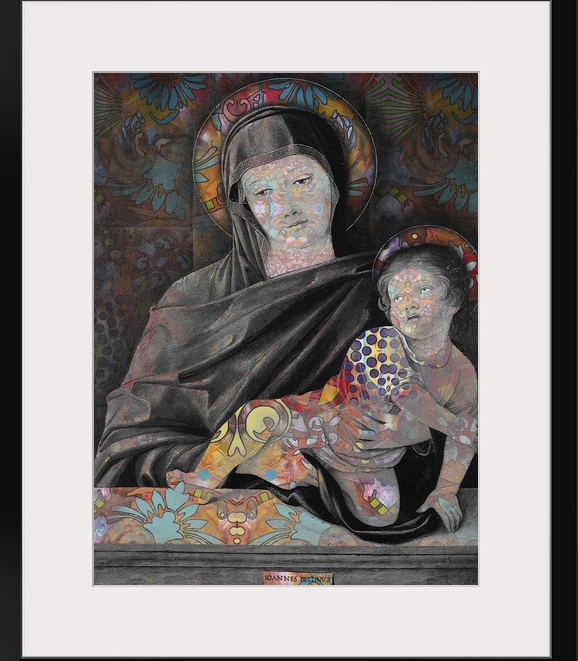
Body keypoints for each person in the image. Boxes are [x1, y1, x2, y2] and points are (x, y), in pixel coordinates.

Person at [94, 105, 383, 488]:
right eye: (263, 191)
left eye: (301, 181)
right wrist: (237, 459)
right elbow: (125, 445)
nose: (286, 207)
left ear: (334, 182)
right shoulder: (191, 300)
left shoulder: (379, 291)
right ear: (242, 203)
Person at [167, 243, 478, 539]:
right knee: (256, 417)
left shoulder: (463, 373)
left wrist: (446, 489)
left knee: (381, 514)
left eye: (423, 290)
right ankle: (204, 479)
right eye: (397, 296)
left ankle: (304, 474)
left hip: (366, 461)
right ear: (388, 309)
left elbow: (463, 439)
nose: (408, 302)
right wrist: (454, 426)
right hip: (316, 425)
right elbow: (405, 392)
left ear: (453, 300)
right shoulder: (378, 342)